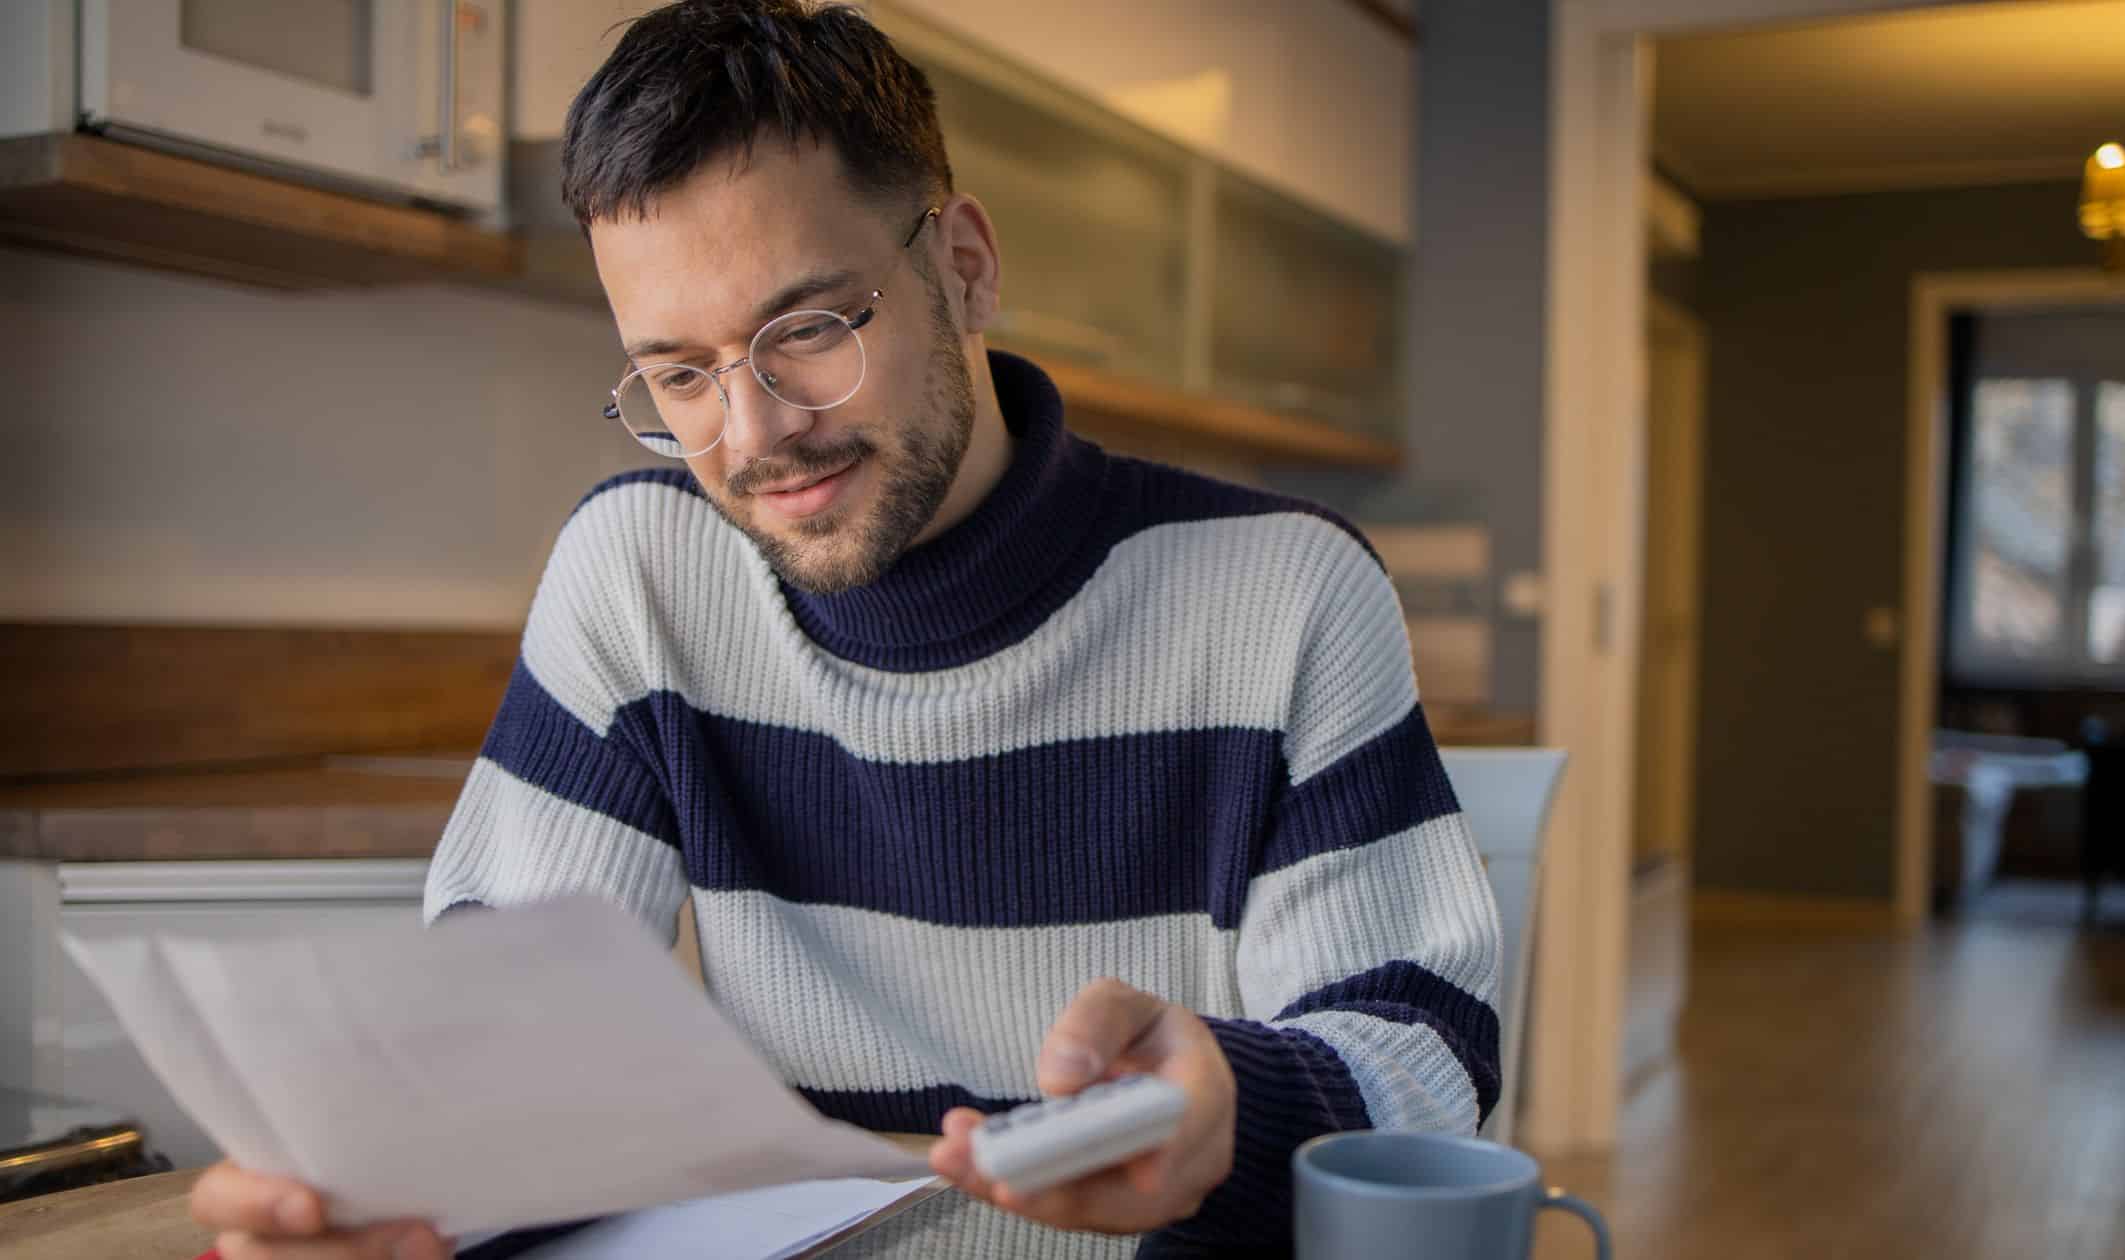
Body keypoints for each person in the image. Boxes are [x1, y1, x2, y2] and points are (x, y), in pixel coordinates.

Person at [187, 2, 1502, 1256]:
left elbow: (1424, 1052)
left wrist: (1228, 1105)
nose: (755, 435)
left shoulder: (1282, 589)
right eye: (680, 373)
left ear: (966, 267)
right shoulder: (640, 573)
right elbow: (510, 1036)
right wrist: (394, 1190)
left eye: (807, 331)